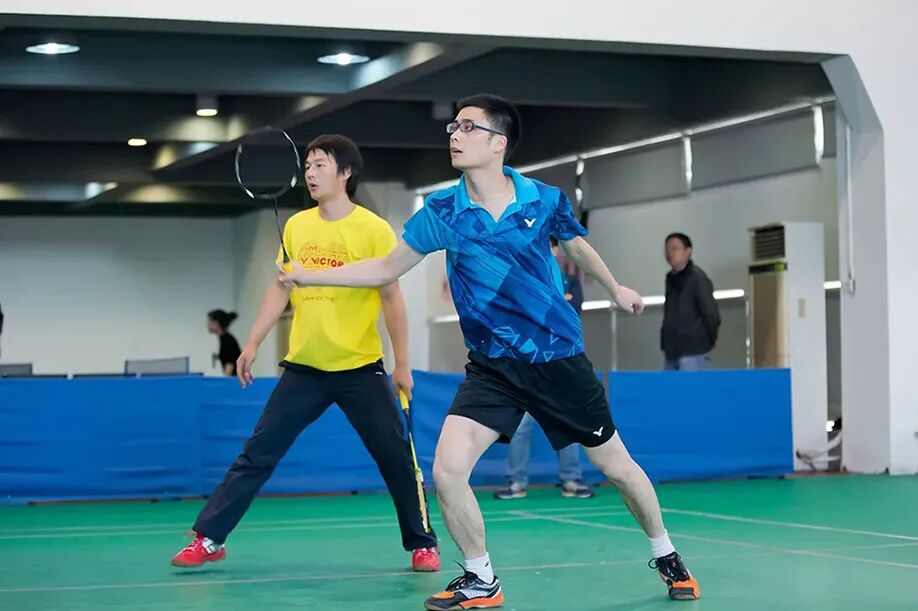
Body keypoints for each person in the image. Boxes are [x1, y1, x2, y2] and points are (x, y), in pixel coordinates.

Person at [279, 95, 700, 607]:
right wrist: (308, 275)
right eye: (452, 127)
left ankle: (666, 552)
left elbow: (573, 244)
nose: (454, 135)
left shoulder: (542, 199)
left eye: (467, 127)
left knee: (616, 466)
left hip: (555, 358)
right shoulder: (442, 212)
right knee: (447, 470)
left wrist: (614, 287)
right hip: (492, 366)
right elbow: (386, 268)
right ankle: (481, 578)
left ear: (498, 143)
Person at [171, 134, 440, 573]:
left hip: (360, 368)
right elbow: (280, 288)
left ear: (345, 173)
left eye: (320, 165)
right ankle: (209, 538)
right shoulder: (297, 226)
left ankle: (422, 543)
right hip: (304, 369)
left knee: (396, 456)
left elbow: (391, 297)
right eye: (308, 165)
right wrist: (253, 341)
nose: (310, 173)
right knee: (257, 454)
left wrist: (403, 363)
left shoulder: (373, 228)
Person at [494, 237, 593, 500]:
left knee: (566, 422)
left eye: (548, 244)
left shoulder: (569, 283)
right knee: (520, 425)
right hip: (526, 364)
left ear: (556, 249)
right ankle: (516, 481)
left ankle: (571, 479)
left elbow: (568, 317)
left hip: (561, 363)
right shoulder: (518, 281)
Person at [661, 233, 720, 371]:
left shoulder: (698, 278)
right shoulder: (671, 279)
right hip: (672, 351)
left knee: (691, 385)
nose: (669, 253)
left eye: (674, 248)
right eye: (667, 249)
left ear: (688, 252)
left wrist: (710, 340)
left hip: (693, 350)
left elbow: (710, 313)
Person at [207, 309, 242, 376]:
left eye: (210, 321)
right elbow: (229, 356)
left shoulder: (227, 340)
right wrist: (219, 356)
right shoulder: (225, 338)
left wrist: (225, 380)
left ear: (216, 323)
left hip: (234, 380)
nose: (208, 324)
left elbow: (230, 364)